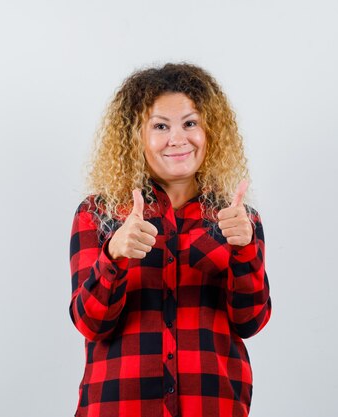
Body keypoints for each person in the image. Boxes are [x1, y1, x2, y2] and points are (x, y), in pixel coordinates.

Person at [68, 62, 272, 417]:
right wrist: (114, 255)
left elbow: (250, 321)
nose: (178, 138)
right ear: (136, 137)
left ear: (210, 131)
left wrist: (245, 250)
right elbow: (90, 323)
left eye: (190, 123)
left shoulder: (239, 219)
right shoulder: (97, 214)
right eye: (160, 126)